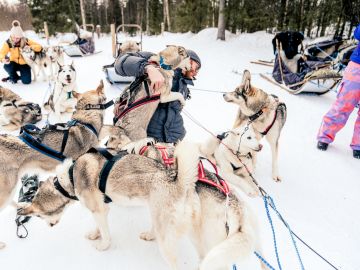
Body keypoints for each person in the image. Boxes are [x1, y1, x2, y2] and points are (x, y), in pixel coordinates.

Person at [114, 48, 201, 143]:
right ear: (187, 59)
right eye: (196, 66)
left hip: (172, 140)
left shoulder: (184, 85)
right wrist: (148, 68)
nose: (196, 72)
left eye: (198, 70)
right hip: (142, 136)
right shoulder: (156, 61)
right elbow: (120, 62)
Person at [317, 24, 360, 159]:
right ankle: (324, 137)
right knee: (343, 105)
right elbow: (358, 33)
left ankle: (358, 145)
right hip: (357, 68)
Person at [0, 20, 42, 84]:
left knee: (26, 81)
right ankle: (13, 77)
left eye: (18, 38)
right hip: (13, 63)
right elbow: (2, 53)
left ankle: (18, 76)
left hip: (24, 64)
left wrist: (31, 47)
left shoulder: (25, 41)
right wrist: (3, 59)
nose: (16, 40)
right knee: (7, 66)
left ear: (21, 37)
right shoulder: (8, 42)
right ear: (12, 36)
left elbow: (39, 47)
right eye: (14, 37)